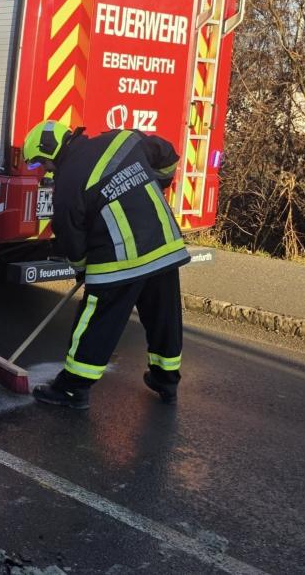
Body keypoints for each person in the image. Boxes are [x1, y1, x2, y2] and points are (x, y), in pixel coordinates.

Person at [21, 120, 189, 409]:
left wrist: (82, 268)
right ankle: (166, 381)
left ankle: (72, 389)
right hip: (164, 245)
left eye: (41, 164)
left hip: (120, 260)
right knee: (164, 318)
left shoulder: (67, 181)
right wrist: (159, 182)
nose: (45, 171)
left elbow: (71, 238)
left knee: (96, 323)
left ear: (51, 152)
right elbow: (166, 154)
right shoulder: (123, 140)